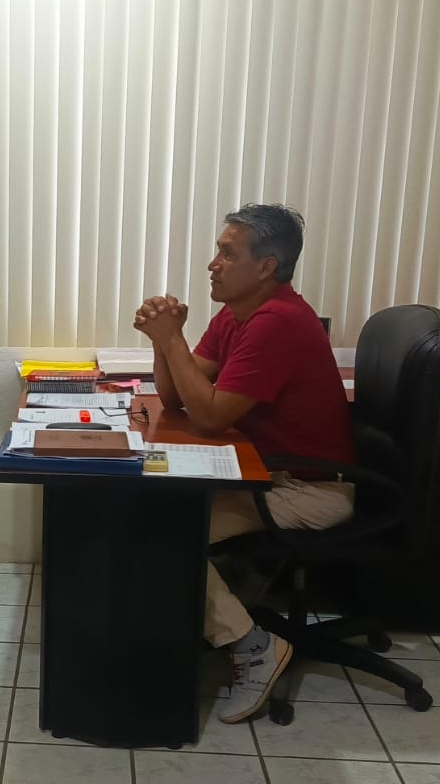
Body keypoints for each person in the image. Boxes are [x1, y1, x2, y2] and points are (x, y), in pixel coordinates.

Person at [135, 204, 355, 723]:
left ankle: (254, 646)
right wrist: (163, 343)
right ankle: (206, 626)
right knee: (146, 515)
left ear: (266, 266)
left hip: (308, 488)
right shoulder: (236, 314)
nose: (213, 264)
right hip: (265, 475)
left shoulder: (278, 322)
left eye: (227, 253)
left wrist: (172, 339)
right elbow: (178, 397)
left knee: (162, 534)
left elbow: (210, 416)